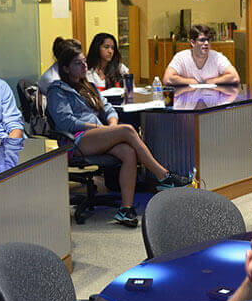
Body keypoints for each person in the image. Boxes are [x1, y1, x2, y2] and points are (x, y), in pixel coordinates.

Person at [47, 45, 190, 227]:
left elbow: (107, 108)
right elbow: (66, 122)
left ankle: (126, 209)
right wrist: (101, 127)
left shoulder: (88, 86)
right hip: (76, 140)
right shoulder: (57, 91)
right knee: (128, 130)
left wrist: (111, 126)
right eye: (78, 63)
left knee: (128, 152)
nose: (84, 66)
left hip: (96, 135)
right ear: (66, 68)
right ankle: (164, 176)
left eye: (84, 61)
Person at [163, 24, 240, 86]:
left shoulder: (217, 57)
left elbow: (234, 77)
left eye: (208, 40)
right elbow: (167, 79)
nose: (206, 43)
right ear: (192, 42)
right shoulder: (181, 57)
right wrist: (191, 81)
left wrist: (212, 81)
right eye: (202, 40)